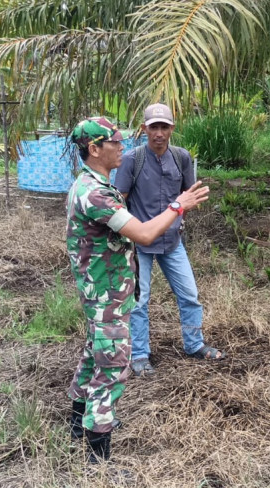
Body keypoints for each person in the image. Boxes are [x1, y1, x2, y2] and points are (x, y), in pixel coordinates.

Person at [64, 117, 209, 464]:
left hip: (103, 291)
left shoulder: (90, 184)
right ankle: (97, 452)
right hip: (105, 293)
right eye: (114, 142)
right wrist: (178, 207)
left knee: (92, 353)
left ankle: (76, 423)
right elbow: (143, 234)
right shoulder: (95, 193)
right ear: (94, 149)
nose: (121, 148)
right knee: (113, 364)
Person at [113, 103, 225, 377]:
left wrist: (182, 214)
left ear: (172, 129)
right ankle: (139, 355)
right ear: (144, 129)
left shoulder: (181, 157)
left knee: (190, 295)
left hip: (172, 242)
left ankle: (194, 344)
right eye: (154, 127)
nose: (159, 133)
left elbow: (188, 194)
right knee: (140, 300)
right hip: (141, 243)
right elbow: (118, 202)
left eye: (164, 127)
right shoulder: (132, 160)